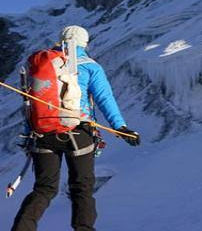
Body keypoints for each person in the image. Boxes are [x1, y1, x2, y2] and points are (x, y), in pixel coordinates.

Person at [12, 25, 140, 231]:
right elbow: (104, 98)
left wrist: (28, 135)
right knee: (82, 188)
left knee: (44, 188)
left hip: (43, 132)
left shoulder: (42, 66)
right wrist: (120, 127)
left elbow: (30, 105)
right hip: (79, 133)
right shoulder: (90, 66)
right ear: (85, 43)